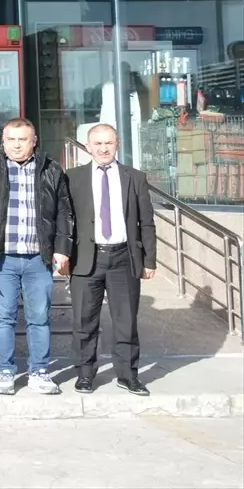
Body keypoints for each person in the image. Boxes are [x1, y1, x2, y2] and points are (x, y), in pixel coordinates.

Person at [0, 118, 73, 396]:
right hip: (3, 257)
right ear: (3, 141)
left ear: (34, 141)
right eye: (11, 139)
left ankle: (39, 372)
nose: (17, 145)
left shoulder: (51, 169)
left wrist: (62, 248)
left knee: (39, 317)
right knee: (3, 317)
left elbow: (64, 211)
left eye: (23, 139)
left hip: (38, 258)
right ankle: (5, 372)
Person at [67, 123, 156, 397]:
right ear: (88, 147)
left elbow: (147, 222)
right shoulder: (73, 178)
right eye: (98, 143)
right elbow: (65, 220)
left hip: (123, 258)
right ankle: (85, 374)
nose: (103, 148)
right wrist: (62, 254)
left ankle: (128, 375)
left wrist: (150, 260)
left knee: (125, 321)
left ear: (118, 144)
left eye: (109, 143)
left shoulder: (135, 177)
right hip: (86, 259)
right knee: (84, 321)